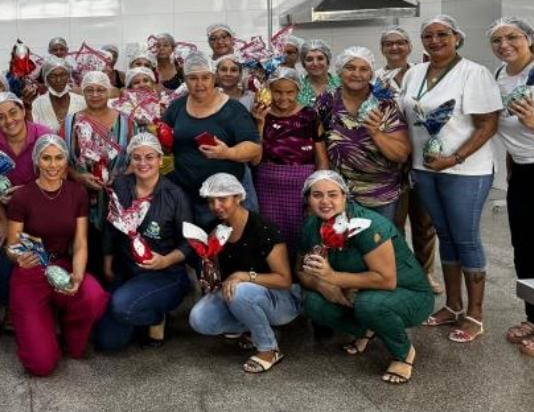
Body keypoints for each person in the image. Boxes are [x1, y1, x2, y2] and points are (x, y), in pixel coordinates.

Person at [399, 15, 501, 343]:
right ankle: (453, 305)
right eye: (427, 36)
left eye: (442, 34)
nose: (435, 41)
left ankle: (475, 314)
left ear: (457, 37)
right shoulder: (415, 73)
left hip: (465, 170)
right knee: (444, 234)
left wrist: (455, 158)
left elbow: (487, 124)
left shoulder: (474, 73)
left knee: (466, 237)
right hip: (425, 167)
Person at [297, 170, 433, 384]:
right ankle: (371, 328)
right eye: (317, 195)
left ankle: (403, 353)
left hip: (407, 293)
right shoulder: (311, 226)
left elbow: (386, 280)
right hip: (356, 291)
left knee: (369, 305)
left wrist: (332, 277)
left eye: (332, 194)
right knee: (313, 303)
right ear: (308, 198)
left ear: (344, 196)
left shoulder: (369, 226)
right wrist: (323, 286)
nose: (325, 202)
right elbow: (300, 270)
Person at [5, 135, 109, 376]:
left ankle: (67, 332)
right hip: (30, 271)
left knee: (93, 297)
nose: (53, 165)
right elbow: (11, 244)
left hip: (62, 263)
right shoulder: (23, 197)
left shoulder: (77, 193)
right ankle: (40, 329)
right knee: (41, 365)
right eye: (46, 158)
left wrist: (78, 277)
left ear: (66, 161)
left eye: (59, 158)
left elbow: (81, 242)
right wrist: (18, 257)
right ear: (37, 161)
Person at [188, 173, 299, 373]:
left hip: (282, 300)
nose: (216, 206)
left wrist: (245, 275)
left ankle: (269, 348)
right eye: (211, 201)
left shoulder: (264, 229)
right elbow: (222, 278)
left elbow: (284, 280)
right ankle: (258, 328)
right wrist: (209, 270)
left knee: (241, 291)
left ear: (238, 197)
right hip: (242, 296)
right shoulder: (217, 230)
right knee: (199, 319)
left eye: (223, 199)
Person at [95, 133, 192, 350]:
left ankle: (156, 315)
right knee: (107, 342)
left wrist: (165, 261)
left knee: (121, 307)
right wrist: (108, 260)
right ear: (130, 160)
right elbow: (111, 225)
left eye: (149, 157)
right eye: (137, 157)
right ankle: (141, 315)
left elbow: (189, 243)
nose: (143, 163)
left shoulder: (175, 195)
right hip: (128, 269)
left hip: (164, 273)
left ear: (160, 159)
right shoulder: (121, 186)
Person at [374, 26, 441, 294]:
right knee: (395, 222)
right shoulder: (375, 79)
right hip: (390, 161)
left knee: (425, 221)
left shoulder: (423, 75)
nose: (395, 48)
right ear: (382, 48)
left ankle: (426, 273)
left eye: (401, 43)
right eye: (389, 43)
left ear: (410, 46)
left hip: (423, 157)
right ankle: (402, 271)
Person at [487, 16, 534, 357]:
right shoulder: (499, 77)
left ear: (529, 38)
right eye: (497, 40)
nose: (504, 44)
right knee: (526, 248)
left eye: (512, 37)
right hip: (522, 173)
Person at [163, 52, 261, 227]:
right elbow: (162, 138)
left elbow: (254, 148)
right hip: (187, 196)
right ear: (185, 80)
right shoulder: (177, 107)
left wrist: (227, 152)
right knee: (195, 249)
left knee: (230, 247)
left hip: (225, 200)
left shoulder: (233, 110)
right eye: (193, 78)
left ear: (214, 77)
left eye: (205, 77)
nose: (199, 84)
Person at [0, 92, 54, 318]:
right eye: (0, 117)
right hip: (4, 206)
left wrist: (30, 194)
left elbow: (57, 177)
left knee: (43, 242)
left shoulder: (43, 136)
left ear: (23, 111)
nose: (9, 120)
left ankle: (43, 298)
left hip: (43, 200)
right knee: (5, 244)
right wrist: (2, 219)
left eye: (13, 112)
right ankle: (5, 301)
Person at [316, 47, 411, 222]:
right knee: (341, 246)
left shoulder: (385, 105)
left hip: (380, 196)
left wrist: (375, 132)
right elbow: (318, 142)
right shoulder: (326, 102)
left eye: (363, 69)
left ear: (371, 74)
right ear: (339, 71)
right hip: (338, 195)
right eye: (350, 68)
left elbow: (401, 154)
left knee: (380, 246)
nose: (356, 74)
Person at [251, 67, 327, 252]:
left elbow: (321, 157)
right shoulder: (260, 115)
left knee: (302, 233)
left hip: (301, 186)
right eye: (277, 92)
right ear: (269, 91)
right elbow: (254, 159)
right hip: (268, 187)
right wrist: (259, 123)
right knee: (271, 234)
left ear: (298, 91)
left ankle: (300, 275)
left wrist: (318, 189)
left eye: (289, 92)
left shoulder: (310, 115)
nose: (283, 97)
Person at [65, 70, 131, 280]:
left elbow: (138, 157)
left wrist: (121, 179)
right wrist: (78, 177)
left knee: (119, 255)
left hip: (121, 200)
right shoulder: (70, 122)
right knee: (89, 251)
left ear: (110, 91)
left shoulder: (127, 122)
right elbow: (61, 162)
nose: (95, 95)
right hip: (83, 201)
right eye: (90, 90)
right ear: (82, 92)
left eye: (100, 90)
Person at [30, 58, 85, 134]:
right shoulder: (37, 104)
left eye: (62, 75)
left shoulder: (81, 102)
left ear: (68, 76)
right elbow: (32, 130)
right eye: (53, 76)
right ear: (46, 78)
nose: (58, 80)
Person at [297, 40, 340, 107]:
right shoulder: (296, 87)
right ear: (303, 64)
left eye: (320, 58)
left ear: (328, 62)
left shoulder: (341, 85)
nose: (315, 63)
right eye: (309, 59)